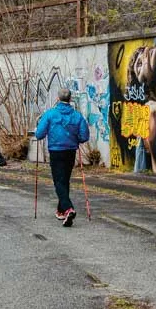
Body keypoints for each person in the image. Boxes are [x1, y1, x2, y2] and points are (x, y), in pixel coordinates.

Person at [34, 88, 90, 227]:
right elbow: (84, 136)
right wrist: (75, 137)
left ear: (58, 99)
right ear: (70, 100)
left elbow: (39, 134)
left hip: (56, 151)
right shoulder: (77, 116)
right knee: (64, 180)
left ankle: (68, 208)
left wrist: (38, 128)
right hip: (70, 151)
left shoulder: (50, 114)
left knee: (59, 181)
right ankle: (60, 211)